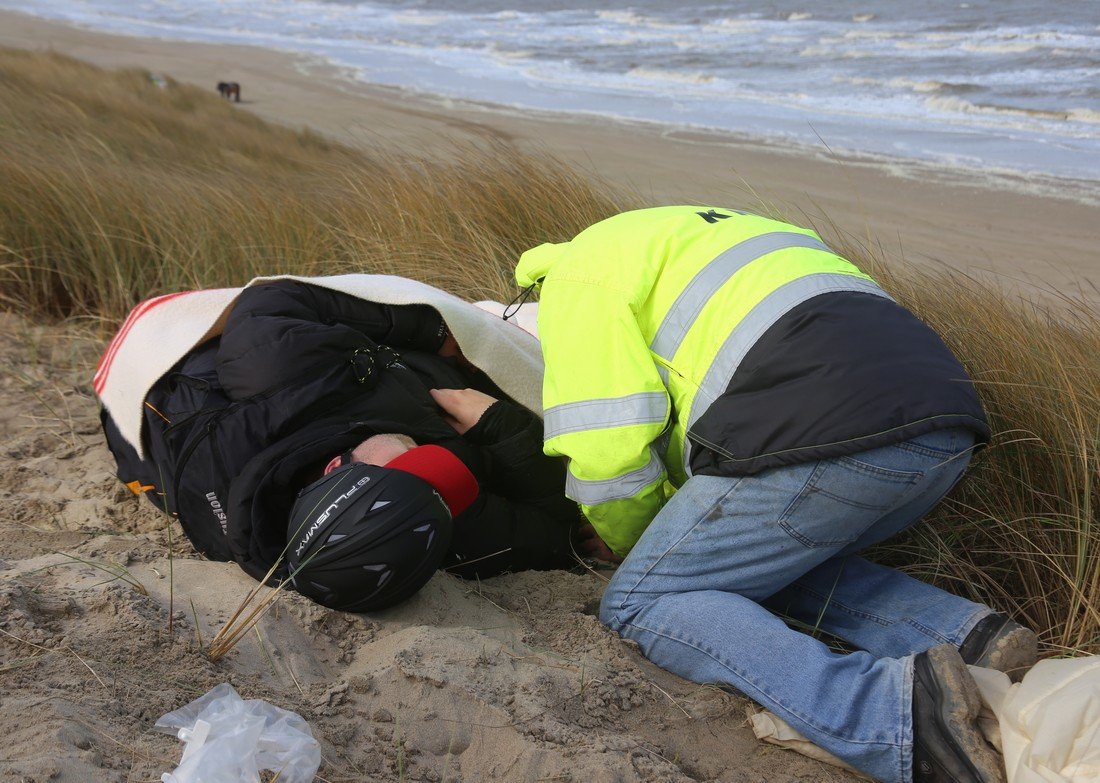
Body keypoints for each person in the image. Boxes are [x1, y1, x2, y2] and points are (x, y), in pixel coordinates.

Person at [514, 206, 1038, 783]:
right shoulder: (719, 234)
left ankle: (895, 717)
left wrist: (634, 547)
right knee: (750, 561)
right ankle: (966, 638)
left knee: (645, 600)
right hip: (946, 427)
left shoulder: (576, 278)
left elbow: (605, 450)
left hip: (828, 439)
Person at [101, 278, 580, 610]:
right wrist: (501, 426)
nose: (434, 461)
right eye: (437, 486)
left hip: (242, 392)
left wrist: (432, 334)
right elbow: (559, 534)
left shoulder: (278, 371)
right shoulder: (408, 528)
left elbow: (271, 300)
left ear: (335, 467)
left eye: (416, 467)